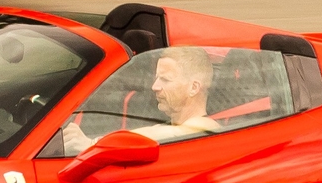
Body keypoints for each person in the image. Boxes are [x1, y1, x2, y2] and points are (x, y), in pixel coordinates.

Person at [60, 47, 221, 154]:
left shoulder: (208, 130)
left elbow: (170, 134)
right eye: (157, 78)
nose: (155, 86)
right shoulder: (166, 129)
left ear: (193, 87)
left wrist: (93, 144)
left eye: (165, 79)